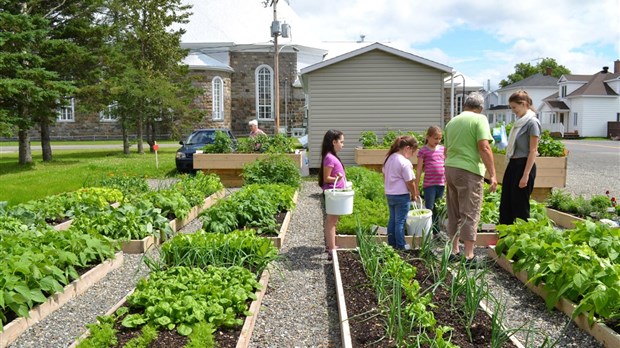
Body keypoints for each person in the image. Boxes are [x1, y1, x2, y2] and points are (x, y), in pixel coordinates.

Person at [444, 92, 497, 265]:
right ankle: (469, 256)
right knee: (470, 211)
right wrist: (493, 174)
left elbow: (446, 150)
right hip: (468, 170)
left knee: (454, 211)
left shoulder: (452, 122)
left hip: (450, 168)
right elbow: (484, 147)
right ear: (480, 108)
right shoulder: (479, 119)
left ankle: (454, 251)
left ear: (465, 105)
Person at [499, 90, 541, 224]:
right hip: (513, 165)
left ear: (523, 104)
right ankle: (505, 236)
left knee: (520, 205)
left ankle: (520, 237)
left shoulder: (532, 123)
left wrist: (526, 175)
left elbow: (533, 150)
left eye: (514, 107)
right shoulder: (519, 123)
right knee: (506, 202)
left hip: (524, 166)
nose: (513, 111)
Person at [382, 135, 419, 250]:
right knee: (400, 222)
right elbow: (410, 182)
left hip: (390, 193)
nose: (412, 155)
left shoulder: (389, 158)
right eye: (413, 151)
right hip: (401, 195)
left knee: (392, 219)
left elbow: (384, 174)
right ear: (407, 148)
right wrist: (414, 194)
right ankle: (401, 245)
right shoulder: (404, 162)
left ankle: (391, 244)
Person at [319, 129, 346, 260]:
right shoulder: (329, 157)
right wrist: (338, 178)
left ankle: (331, 245)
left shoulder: (331, 156)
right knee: (331, 221)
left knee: (332, 221)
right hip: (333, 194)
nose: (343, 144)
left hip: (336, 194)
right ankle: (331, 248)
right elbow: (326, 178)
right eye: (341, 142)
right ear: (333, 142)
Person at [415, 126, 446, 233]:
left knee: (439, 206)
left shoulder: (442, 149)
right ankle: (430, 230)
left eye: (439, 138)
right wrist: (416, 187)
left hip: (441, 183)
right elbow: (419, 170)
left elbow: (446, 165)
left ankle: (438, 229)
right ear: (428, 137)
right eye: (435, 138)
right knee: (430, 207)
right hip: (429, 185)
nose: (438, 141)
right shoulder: (423, 151)